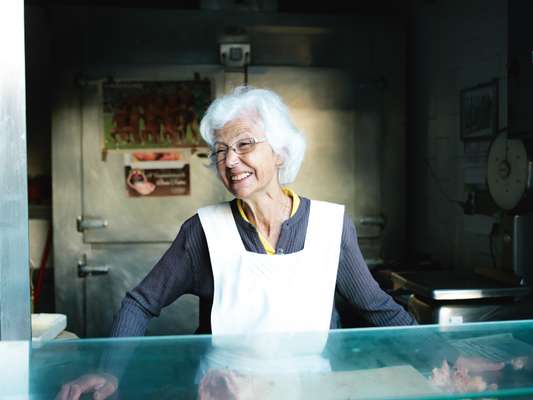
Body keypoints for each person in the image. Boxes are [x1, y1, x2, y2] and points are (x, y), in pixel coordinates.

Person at [57, 86, 415, 400]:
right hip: (221, 391)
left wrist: (440, 353)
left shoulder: (330, 225)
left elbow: (378, 307)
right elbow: (140, 302)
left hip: (309, 391)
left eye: (245, 144)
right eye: (220, 150)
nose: (229, 161)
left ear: (280, 151)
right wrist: (110, 371)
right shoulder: (203, 231)